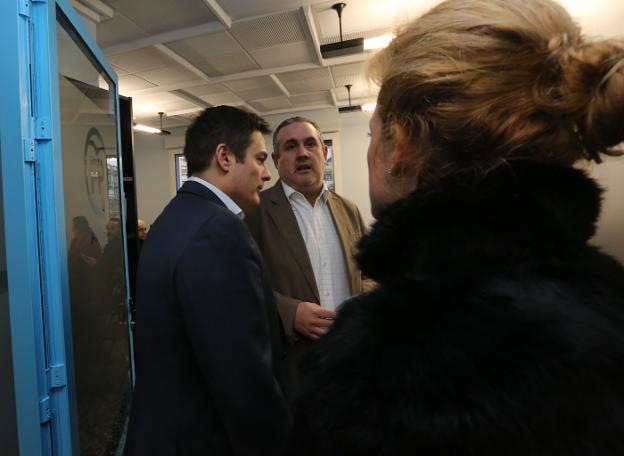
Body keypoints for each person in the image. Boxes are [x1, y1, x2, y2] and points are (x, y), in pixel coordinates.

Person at [293, 0, 624, 454]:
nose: (371, 151)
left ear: (401, 147)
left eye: (373, 135)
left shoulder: (370, 367)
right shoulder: (610, 302)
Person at [125, 106, 291, 455]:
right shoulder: (217, 230)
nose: (266, 174)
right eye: (260, 159)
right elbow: (241, 377)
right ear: (225, 157)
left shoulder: (174, 217)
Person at [245, 117, 369, 358]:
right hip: (293, 358)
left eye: (310, 144)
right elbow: (240, 284)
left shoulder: (349, 210)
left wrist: (363, 301)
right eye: (290, 147)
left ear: (324, 153)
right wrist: (289, 313)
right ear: (276, 160)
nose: (302, 153)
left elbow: (370, 271)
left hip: (351, 351)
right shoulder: (254, 213)